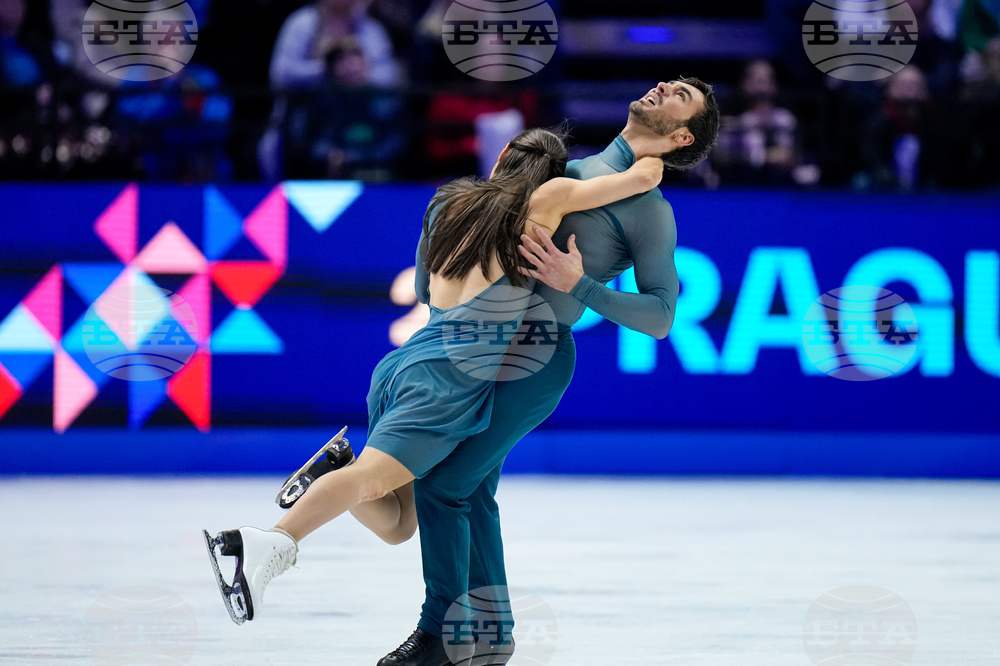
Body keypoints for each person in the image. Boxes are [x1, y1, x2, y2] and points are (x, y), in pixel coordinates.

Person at [203, 129, 666, 644]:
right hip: (447, 377)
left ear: (504, 155)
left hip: (406, 362)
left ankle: (331, 475)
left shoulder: (449, 200)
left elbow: (425, 288)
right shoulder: (548, 199)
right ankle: (269, 541)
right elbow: (640, 177)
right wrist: (653, 152)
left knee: (400, 524)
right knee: (374, 482)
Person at [374, 78, 721, 666]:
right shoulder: (560, 169)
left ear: (683, 135)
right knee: (472, 488)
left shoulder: (648, 210)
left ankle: (440, 636)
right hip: (472, 346)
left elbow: (662, 317)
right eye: (669, 82)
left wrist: (578, 285)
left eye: (681, 94)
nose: (664, 85)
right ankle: (492, 635)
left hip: (534, 358)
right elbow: (452, 254)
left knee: (443, 486)